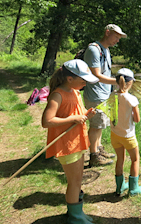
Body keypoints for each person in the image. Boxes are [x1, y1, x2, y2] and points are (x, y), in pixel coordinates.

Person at [41, 59, 99, 223]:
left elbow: (76, 116)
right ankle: (75, 217)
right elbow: (47, 121)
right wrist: (73, 118)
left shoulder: (75, 92)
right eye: (83, 80)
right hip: (66, 145)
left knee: (78, 179)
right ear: (70, 79)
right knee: (74, 181)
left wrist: (86, 116)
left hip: (78, 142)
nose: (85, 84)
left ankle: (77, 211)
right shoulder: (58, 95)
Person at [83, 24, 127, 167]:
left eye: (119, 38)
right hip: (95, 95)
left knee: (100, 125)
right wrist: (118, 82)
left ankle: (99, 149)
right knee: (95, 126)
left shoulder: (105, 50)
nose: (117, 40)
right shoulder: (93, 50)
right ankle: (93, 156)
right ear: (107, 32)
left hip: (103, 94)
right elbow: (95, 75)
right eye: (116, 36)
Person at [111, 68, 141, 196]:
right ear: (130, 83)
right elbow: (136, 119)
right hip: (128, 136)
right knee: (135, 159)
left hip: (115, 134)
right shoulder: (132, 99)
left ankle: (119, 188)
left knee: (120, 159)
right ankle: (133, 188)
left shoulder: (112, 95)